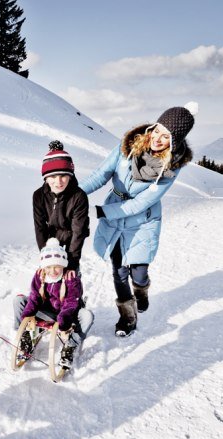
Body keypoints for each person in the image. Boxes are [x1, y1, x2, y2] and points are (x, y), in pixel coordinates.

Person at [79, 103, 197, 336]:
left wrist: (101, 212)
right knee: (119, 270)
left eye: (167, 137)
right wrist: (76, 194)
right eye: (157, 131)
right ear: (152, 127)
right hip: (115, 210)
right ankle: (128, 317)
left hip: (143, 220)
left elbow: (140, 203)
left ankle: (141, 290)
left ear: (174, 142)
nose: (158, 139)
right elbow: (100, 175)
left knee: (138, 272)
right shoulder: (126, 149)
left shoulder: (171, 167)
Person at [12, 238, 95, 369]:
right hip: (47, 312)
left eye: (57, 266)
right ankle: (26, 335)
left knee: (87, 315)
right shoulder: (40, 275)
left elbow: (71, 303)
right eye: (49, 267)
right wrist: (28, 316)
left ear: (63, 265)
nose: (53, 270)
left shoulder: (71, 278)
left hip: (68, 316)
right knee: (19, 300)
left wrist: (63, 321)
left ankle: (71, 345)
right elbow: (34, 297)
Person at [32, 140, 90, 278]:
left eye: (63, 176)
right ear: (46, 178)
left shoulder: (79, 196)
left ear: (70, 176)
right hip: (51, 239)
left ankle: (76, 297)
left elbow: (78, 231)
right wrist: (46, 255)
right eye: (52, 176)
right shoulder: (39, 196)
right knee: (49, 276)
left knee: (70, 277)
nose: (58, 182)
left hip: (72, 239)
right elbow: (40, 227)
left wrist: (72, 263)